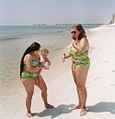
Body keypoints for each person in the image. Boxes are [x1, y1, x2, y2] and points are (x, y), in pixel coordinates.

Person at [20, 42, 54, 117]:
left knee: (44, 89)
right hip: (27, 76)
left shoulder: (37, 55)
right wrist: (40, 67)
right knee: (30, 94)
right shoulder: (28, 56)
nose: (39, 51)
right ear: (34, 49)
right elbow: (29, 69)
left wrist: (44, 65)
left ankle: (46, 104)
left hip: (36, 74)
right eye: (38, 49)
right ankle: (28, 111)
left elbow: (38, 64)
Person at [63, 24, 90, 116]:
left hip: (82, 64)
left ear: (80, 31)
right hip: (74, 63)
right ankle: (79, 104)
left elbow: (81, 50)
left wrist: (74, 44)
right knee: (77, 85)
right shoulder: (76, 40)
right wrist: (66, 56)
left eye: (74, 32)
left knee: (81, 85)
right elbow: (72, 51)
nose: (73, 33)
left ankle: (83, 107)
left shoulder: (83, 40)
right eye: (72, 32)